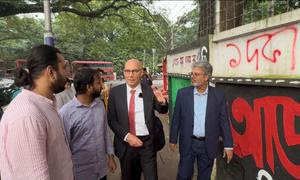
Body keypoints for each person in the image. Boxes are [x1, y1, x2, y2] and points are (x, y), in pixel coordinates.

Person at [0, 45, 74, 180]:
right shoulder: (27, 115)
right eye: (64, 67)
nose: (67, 73)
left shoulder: (45, 104)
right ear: (51, 72)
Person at [169, 61, 233, 180]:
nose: (192, 77)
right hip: (188, 143)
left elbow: (224, 121)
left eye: (196, 74)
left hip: (208, 144)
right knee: (183, 175)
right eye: (192, 74)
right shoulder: (183, 94)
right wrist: (173, 139)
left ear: (206, 77)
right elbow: (176, 118)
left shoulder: (218, 96)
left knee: (204, 176)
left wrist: (228, 145)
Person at [107, 59, 168, 180]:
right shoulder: (115, 93)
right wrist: (127, 136)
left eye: (135, 71)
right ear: (124, 72)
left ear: (141, 73)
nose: (131, 75)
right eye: (128, 71)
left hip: (147, 144)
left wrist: (162, 102)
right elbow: (112, 120)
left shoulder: (149, 91)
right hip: (126, 144)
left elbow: (162, 110)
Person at [59, 68, 116, 180]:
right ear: (89, 87)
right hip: (81, 174)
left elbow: (105, 132)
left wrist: (110, 156)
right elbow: (64, 148)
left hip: (101, 170)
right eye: (98, 83)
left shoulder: (100, 105)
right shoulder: (66, 113)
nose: (102, 86)